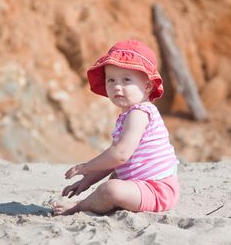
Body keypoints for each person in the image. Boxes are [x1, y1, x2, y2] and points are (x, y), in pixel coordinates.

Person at [52, 39, 179, 215]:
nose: (117, 86)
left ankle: (80, 206)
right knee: (115, 179)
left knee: (110, 189)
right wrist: (88, 180)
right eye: (111, 80)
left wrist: (87, 166)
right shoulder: (128, 115)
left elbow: (119, 155)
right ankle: (95, 201)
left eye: (126, 80)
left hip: (157, 189)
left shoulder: (140, 114)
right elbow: (115, 162)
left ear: (148, 86)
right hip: (139, 186)